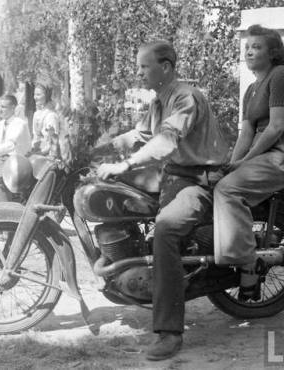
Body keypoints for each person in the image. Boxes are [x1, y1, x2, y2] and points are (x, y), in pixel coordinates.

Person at [98, 41, 229, 361]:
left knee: (167, 229)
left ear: (166, 67)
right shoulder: (159, 101)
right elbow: (139, 136)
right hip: (173, 177)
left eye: (144, 66)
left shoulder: (185, 97)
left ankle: (170, 332)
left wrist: (125, 164)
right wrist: (96, 149)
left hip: (198, 180)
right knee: (126, 204)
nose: (138, 72)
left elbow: (165, 141)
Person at [213, 25, 284, 300]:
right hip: (264, 155)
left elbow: (276, 128)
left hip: (283, 155)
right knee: (217, 183)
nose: (250, 51)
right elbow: (246, 134)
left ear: (273, 52)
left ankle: (247, 264)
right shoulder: (252, 89)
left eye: (257, 47)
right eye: (247, 48)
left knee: (228, 190)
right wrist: (231, 165)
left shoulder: (282, 76)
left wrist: (244, 162)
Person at [31, 83, 60, 155]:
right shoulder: (36, 114)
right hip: (37, 151)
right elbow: (35, 137)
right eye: (34, 94)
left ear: (46, 96)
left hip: (48, 155)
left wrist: (39, 153)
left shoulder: (51, 115)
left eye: (38, 94)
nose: (35, 97)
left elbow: (53, 142)